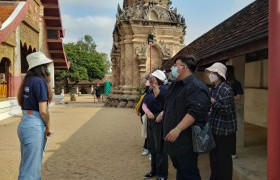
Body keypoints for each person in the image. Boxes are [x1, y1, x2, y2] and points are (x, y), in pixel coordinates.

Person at [157, 55, 210, 180]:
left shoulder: (196, 86)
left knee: (189, 172)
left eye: (175, 65)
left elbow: (195, 111)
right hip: (173, 140)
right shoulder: (176, 85)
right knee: (180, 169)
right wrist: (163, 113)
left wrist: (178, 129)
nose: (173, 68)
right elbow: (170, 103)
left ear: (184, 67)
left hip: (185, 140)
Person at [17, 52, 53, 180]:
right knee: (31, 170)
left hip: (25, 121)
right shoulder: (39, 82)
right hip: (34, 124)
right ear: (41, 67)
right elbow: (43, 110)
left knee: (27, 165)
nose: (48, 69)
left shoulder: (27, 81)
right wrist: (48, 127)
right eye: (46, 66)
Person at [205, 62, 237, 180]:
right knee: (214, 158)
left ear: (218, 74)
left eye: (212, 72)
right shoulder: (214, 89)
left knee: (224, 160)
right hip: (214, 128)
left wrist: (213, 101)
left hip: (224, 131)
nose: (209, 74)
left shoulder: (226, 89)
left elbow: (226, 110)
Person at [142, 70, 169, 180]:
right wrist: (147, 112)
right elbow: (144, 104)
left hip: (160, 120)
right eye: (150, 78)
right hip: (151, 119)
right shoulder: (149, 90)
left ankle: (163, 174)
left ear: (159, 80)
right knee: (152, 147)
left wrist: (162, 114)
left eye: (153, 78)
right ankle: (154, 170)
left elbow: (168, 106)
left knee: (160, 148)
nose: (151, 80)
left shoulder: (165, 90)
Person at [226, 65, 244, 159]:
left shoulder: (237, 84)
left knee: (232, 132)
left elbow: (238, 98)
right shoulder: (223, 83)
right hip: (222, 108)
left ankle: (232, 152)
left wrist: (227, 97)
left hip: (231, 110)